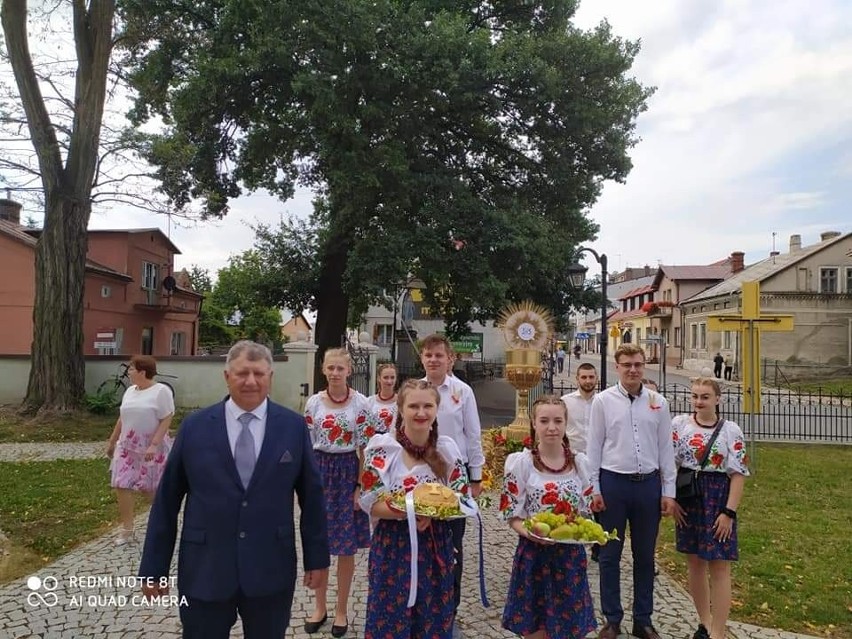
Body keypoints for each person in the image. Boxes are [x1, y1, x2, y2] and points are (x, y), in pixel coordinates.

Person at [139, 340, 330, 638]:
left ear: (270, 377)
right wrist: (153, 567)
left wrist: (317, 559)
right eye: (242, 373)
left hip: (270, 568)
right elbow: (167, 501)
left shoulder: (293, 427)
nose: (250, 381)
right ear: (227, 376)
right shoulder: (194, 427)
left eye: (258, 373)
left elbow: (312, 497)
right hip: (205, 569)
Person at [359, 379, 471, 639]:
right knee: (390, 622)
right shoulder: (383, 449)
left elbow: (462, 499)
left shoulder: (447, 450)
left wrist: (434, 513)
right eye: (413, 406)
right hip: (393, 548)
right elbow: (371, 501)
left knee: (431, 621)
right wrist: (412, 511)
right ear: (401, 409)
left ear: (436, 408)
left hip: (435, 548)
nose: (421, 413)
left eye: (427, 406)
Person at [587, 343, 677, 639]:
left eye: (638, 364)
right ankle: (612, 618)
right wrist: (594, 488)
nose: (633, 370)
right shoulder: (603, 401)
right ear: (617, 367)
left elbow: (666, 449)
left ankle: (643, 619)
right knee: (609, 555)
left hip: (647, 486)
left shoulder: (658, 403)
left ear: (643, 366)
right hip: (613, 484)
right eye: (627, 365)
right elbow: (594, 447)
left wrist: (669, 492)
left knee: (645, 556)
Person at [500, 395, 596, 639]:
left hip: (569, 557)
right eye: (544, 421)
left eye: (557, 421)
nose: (551, 427)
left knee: (569, 629)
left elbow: (587, 512)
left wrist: (584, 530)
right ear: (534, 423)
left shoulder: (580, 464)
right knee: (536, 630)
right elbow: (512, 515)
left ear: (565, 424)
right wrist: (531, 532)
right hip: (534, 556)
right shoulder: (521, 464)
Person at [672, 378, 749, 639]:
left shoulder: (730, 430)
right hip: (689, 497)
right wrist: (672, 500)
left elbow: (738, 474)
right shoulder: (679, 425)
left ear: (717, 399)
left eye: (705, 396)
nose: (698, 401)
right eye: (695, 396)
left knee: (719, 565)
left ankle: (719, 631)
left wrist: (729, 512)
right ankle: (704, 622)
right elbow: (669, 464)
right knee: (694, 562)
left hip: (717, 498)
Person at [303, 347, 372, 637]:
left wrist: (359, 486)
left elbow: (365, 449)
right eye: (330, 368)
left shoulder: (361, 403)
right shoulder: (313, 403)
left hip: (347, 472)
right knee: (319, 543)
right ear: (323, 369)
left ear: (348, 371)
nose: (334, 373)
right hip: (319, 471)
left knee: (346, 547)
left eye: (339, 368)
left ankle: (341, 609)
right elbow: (306, 446)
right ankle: (320, 607)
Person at [420, 333, 485, 637]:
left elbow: (473, 435)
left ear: (450, 359)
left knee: (452, 547)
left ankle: (450, 611)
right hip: (419, 477)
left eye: (438, 355)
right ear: (422, 359)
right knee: (421, 545)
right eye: (428, 355)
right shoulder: (415, 391)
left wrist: (476, 477)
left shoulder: (463, 392)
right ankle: (422, 607)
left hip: (454, 480)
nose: (433, 360)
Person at [107, 355, 174, 545]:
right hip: (127, 447)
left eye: (131, 369)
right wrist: (112, 441)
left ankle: (165, 524)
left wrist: (154, 444)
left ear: (142, 372)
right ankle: (127, 530)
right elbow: (122, 418)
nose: (128, 372)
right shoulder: (130, 391)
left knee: (149, 489)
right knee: (121, 484)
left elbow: (167, 418)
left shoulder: (161, 391)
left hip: (150, 448)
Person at [560, 363, 598, 454]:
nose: (588, 381)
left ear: (597, 379)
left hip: (596, 456)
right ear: (577, 379)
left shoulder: (602, 402)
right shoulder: (565, 402)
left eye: (591, 377)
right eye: (584, 377)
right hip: (572, 456)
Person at [367, 362, 398, 440]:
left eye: (392, 377)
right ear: (379, 378)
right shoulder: (369, 402)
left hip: (394, 442)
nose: (389, 381)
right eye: (386, 377)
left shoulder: (401, 402)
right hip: (374, 442)